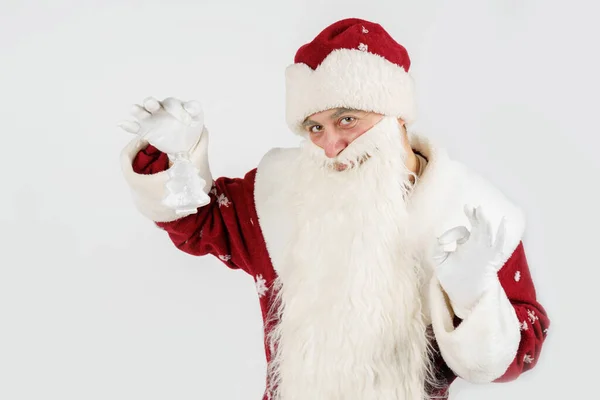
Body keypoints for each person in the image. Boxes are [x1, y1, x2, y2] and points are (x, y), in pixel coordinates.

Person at [118, 17, 550, 400]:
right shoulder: (279, 193)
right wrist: (170, 155)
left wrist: (474, 295)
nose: (331, 145)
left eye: (348, 119)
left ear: (396, 116)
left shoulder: (469, 210)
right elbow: (202, 223)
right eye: (315, 127)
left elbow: (522, 351)